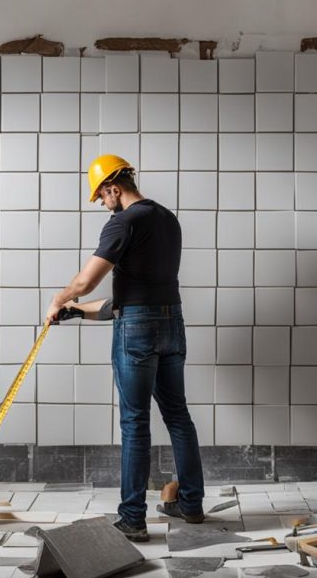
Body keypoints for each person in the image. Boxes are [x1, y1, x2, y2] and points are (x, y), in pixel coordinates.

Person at [44, 154, 205, 542]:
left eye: (101, 196)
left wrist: (59, 298)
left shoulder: (122, 222)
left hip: (138, 330)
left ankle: (133, 518)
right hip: (172, 324)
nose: (102, 204)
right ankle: (192, 504)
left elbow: (86, 282)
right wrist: (75, 313)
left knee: (135, 423)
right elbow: (131, 300)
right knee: (178, 416)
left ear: (113, 188)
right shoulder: (167, 219)